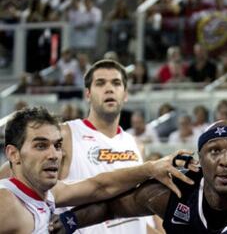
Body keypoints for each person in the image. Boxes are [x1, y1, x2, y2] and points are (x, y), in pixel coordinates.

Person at [0, 59, 160, 233]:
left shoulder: (135, 143)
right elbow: (14, 170)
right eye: (100, 83)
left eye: (116, 83)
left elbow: (138, 216)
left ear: (126, 93)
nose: (109, 88)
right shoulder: (65, 133)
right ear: (88, 94)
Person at [50, 120, 227, 233]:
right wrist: (70, 221)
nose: (225, 160)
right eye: (214, 151)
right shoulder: (174, 192)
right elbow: (112, 207)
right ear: (199, 160)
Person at [0, 107, 196, 233]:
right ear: (13, 154)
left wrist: (151, 169)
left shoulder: (49, 193)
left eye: (58, 146)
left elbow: (100, 186)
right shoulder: (7, 203)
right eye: (41, 146)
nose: (53, 155)